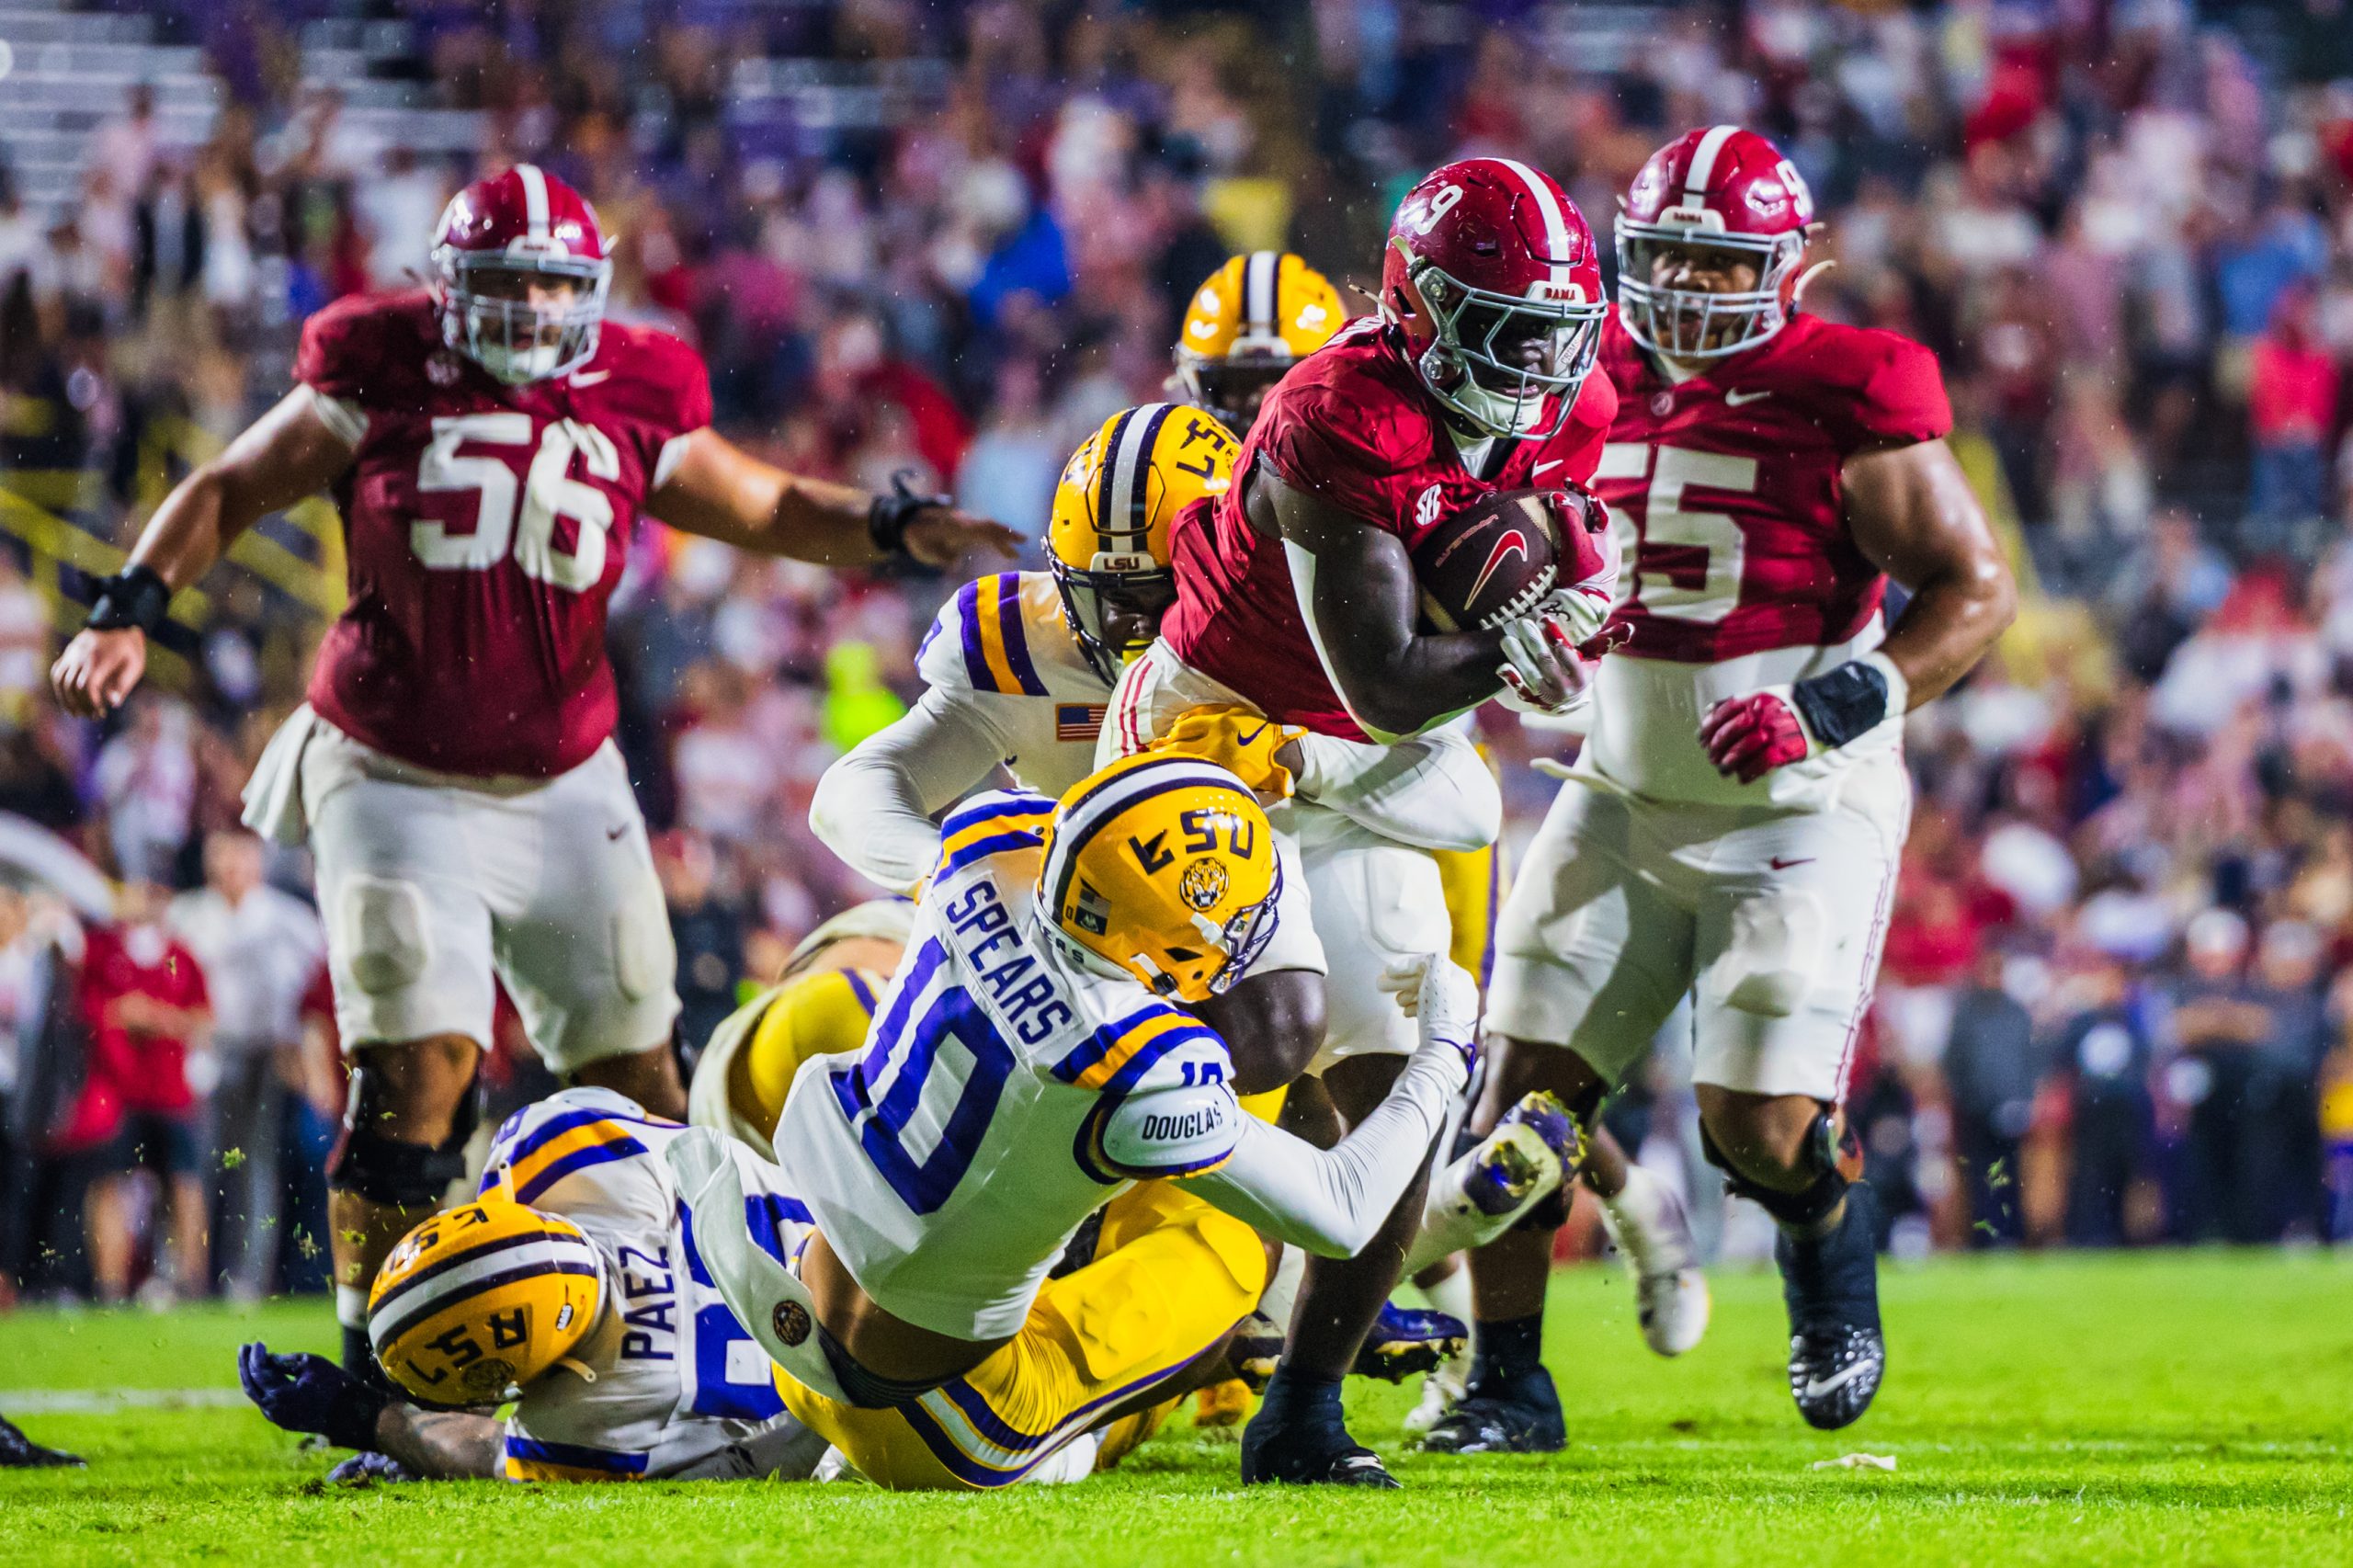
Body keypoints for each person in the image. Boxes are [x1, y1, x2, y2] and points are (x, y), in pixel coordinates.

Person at [51, 165, 1017, 1388]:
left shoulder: (636, 380)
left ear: (591, 292)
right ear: (445, 289)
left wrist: (891, 526)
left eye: (550, 289)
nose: (523, 315)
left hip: (566, 771)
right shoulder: (376, 360)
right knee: (416, 1068)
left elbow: (760, 502)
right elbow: (229, 483)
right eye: (500, 289)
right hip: (392, 766)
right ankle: (379, 1376)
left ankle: (658, 1344)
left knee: (639, 1074)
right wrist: (128, 608)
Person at [1449, 126, 2018, 1448]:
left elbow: (1975, 587)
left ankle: (1829, 1245)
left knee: (1756, 1126)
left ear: (1789, 268)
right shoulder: (1580, 381)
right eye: (1669, 258)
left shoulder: (1852, 386)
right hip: (1622, 790)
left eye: (1720, 261)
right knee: (1519, 1103)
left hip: (1795, 809)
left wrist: (1832, 700)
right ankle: (1506, 1381)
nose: (1692, 289)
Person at [1098, 158, 1627, 1487]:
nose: (1537, 364)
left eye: (1554, 332)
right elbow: (1387, 679)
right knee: (1201, 1047)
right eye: (1504, 330)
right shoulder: (1339, 412)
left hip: (1362, 764)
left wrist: (1555, 572)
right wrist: (1532, 628)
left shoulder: (1576, 400)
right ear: (1422, 309)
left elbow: (1468, 611)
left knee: (1403, 1093)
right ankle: (1075, 1287)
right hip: (1224, 728)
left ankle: (1301, 1408)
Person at [676, 754, 1482, 1490]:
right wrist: (1443, 1049)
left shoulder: (981, 845)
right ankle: (1107, 1428)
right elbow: (1341, 1212)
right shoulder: (1134, 1057)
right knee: (1236, 1249)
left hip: (801, 1293)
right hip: (947, 1420)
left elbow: (867, 807)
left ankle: (819, 1425)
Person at [238, 1089, 828, 1483]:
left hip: (859, 1400)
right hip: (862, 1228)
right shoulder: (560, 1142)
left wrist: (360, 1414)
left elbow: (488, 1448)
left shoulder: (588, 1416)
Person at [165, 828, 325, 1300]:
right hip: (202, 1054)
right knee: (197, 1166)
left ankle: (246, 1277)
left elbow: (315, 995)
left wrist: (308, 1057)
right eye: (223, 858)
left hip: (268, 1054)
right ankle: (187, 1273)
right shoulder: (188, 914)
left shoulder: (288, 919)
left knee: (255, 1169)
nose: (231, 869)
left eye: (240, 858)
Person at [75, 881, 213, 1303]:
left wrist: (154, 1017)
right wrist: (125, 1013)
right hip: (116, 1093)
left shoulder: (180, 955)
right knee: (109, 1186)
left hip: (171, 1093)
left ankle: (191, 1284)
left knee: (185, 1186)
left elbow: (204, 1021)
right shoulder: (100, 952)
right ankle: (110, 1287)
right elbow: (82, 1013)